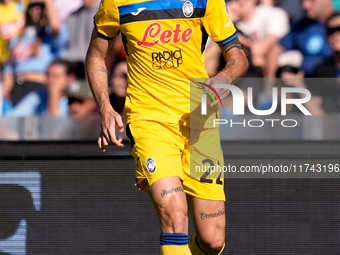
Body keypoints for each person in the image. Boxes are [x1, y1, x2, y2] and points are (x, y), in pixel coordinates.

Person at [86, 1, 248, 255]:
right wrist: (105, 108)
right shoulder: (117, 3)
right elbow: (96, 55)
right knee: (175, 213)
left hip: (199, 122)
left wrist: (223, 79)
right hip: (149, 119)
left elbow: (238, 56)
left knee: (212, 240)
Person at [5, 59, 76, 116]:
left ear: (70, 78)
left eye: (56, 76)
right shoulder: (38, 95)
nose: (50, 80)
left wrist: (54, 92)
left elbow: (55, 124)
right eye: (48, 75)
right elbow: (15, 115)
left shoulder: (77, 99)